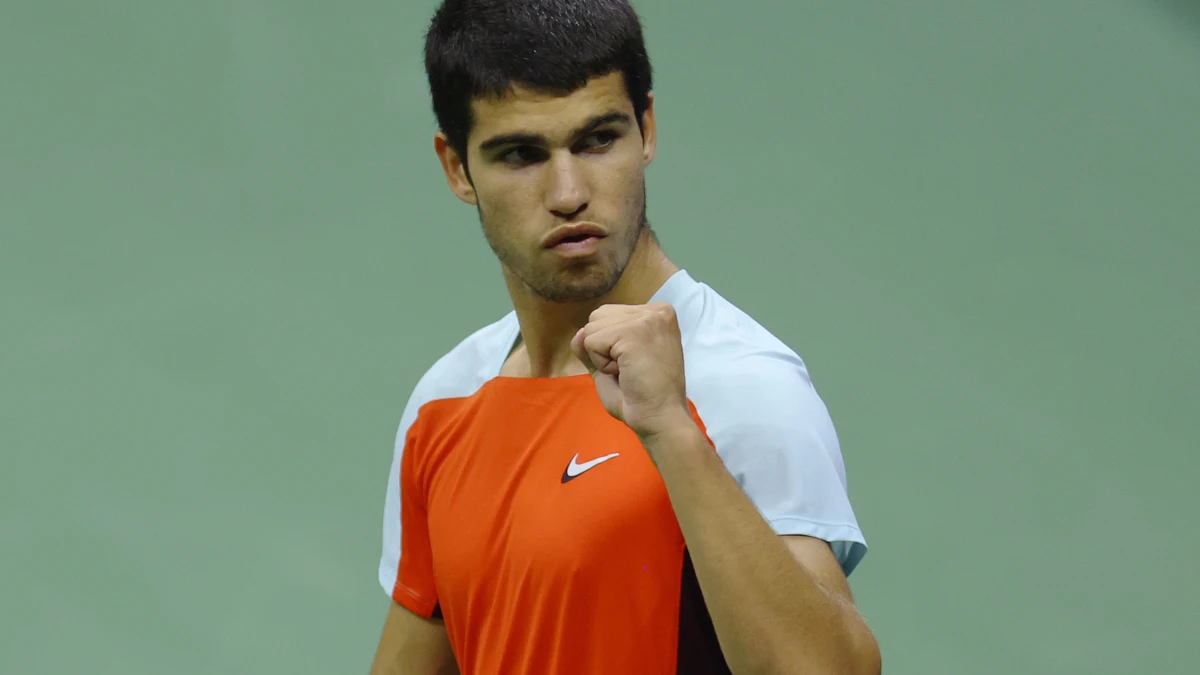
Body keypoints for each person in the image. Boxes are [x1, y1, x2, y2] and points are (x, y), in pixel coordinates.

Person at [370, 1, 881, 673]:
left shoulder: (740, 386)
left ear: (646, 128)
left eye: (597, 139)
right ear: (457, 167)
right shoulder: (446, 402)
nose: (569, 192)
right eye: (521, 154)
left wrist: (671, 429)